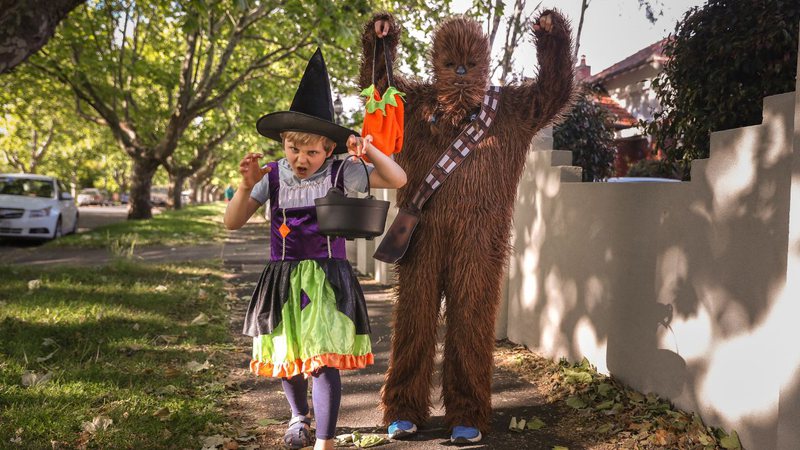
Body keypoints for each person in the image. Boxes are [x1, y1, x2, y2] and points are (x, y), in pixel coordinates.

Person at [223, 48, 406, 450]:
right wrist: (244, 184)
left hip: (328, 279)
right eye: (293, 148)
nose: (301, 159)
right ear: (284, 142)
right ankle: (298, 417)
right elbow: (232, 221)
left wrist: (368, 147)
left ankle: (324, 440)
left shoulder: (344, 171)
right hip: (284, 279)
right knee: (289, 354)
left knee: (322, 360)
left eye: (311, 151)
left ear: (328, 149)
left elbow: (397, 178)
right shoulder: (270, 175)